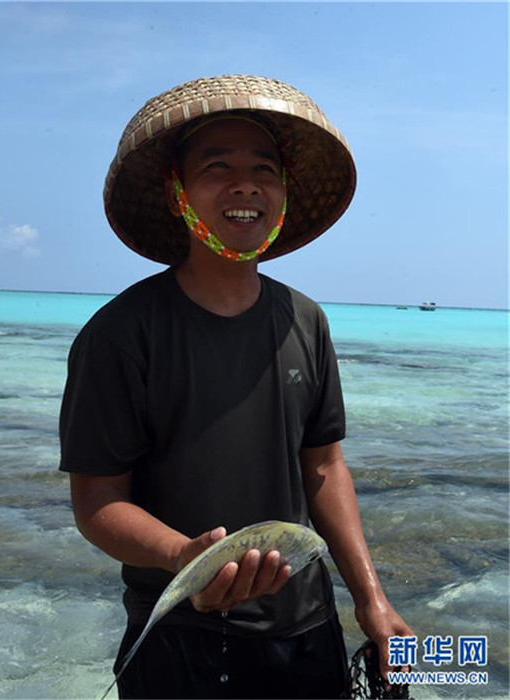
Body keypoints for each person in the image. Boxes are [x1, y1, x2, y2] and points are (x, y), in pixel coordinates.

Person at [59, 75, 413, 699]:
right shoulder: (121, 333)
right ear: (176, 193)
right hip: (177, 635)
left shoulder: (306, 320)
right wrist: (185, 558)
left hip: (307, 631)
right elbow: (97, 502)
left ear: (283, 194)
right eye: (217, 166)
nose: (245, 184)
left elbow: (325, 467)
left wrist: (372, 601)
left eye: (264, 170)